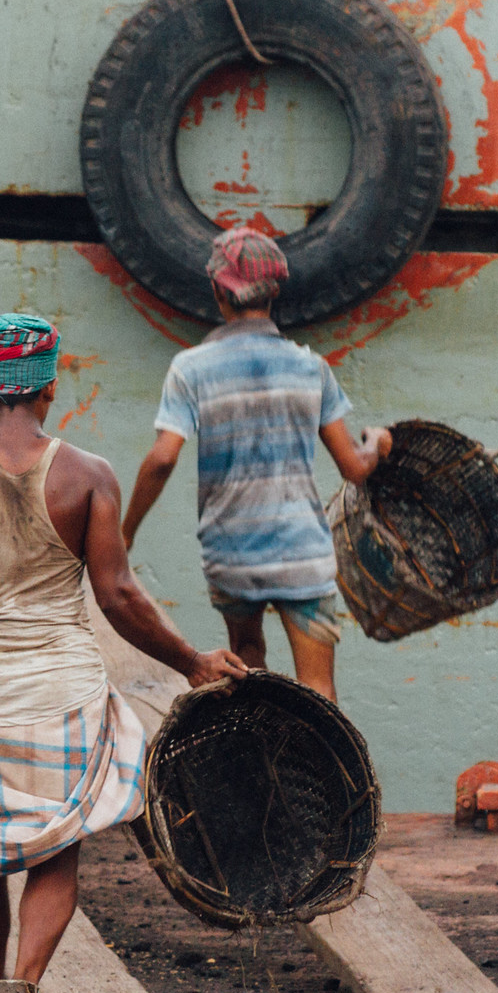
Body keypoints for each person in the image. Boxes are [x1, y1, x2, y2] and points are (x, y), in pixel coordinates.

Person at [0, 314, 248, 984]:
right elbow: (117, 594)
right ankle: (23, 988)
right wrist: (191, 661)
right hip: (62, 695)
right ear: (49, 390)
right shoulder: (88, 475)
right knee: (54, 855)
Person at [121, 227, 391, 703]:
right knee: (318, 689)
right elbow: (354, 468)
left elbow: (163, 457)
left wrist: (125, 533)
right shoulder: (311, 368)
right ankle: (319, 775)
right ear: (275, 292)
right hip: (302, 554)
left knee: (247, 664)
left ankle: (258, 768)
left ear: (218, 291)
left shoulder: (191, 368)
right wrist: (376, 442)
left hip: (232, 554)